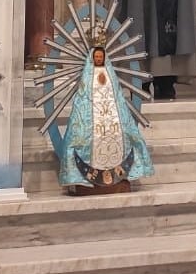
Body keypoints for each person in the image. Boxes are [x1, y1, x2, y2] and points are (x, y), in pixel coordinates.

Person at [60, 44, 153, 190]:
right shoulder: (88, 74)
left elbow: (116, 94)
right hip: (90, 116)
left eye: (100, 57)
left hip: (112, 116)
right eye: (96, 57)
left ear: (104, 58)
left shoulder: (110, 73)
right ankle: (83, 177)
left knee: (124, 134)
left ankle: (118, 174)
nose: (98, 59)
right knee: (81, 138)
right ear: (92, 58)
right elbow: (83, 95)